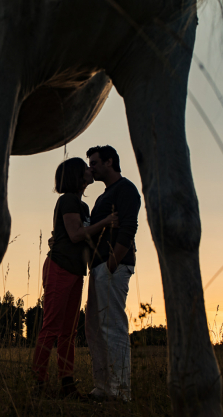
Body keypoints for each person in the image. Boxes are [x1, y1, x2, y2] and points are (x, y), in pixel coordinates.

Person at [32, 157, 118, 399]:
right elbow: (75, 235)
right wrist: (106, 222)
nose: (90, 170)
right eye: (85, 168)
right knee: (51, 327)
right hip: (60, 267)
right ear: (76, 176)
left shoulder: (82, 206)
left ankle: (67, 384)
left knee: (68, 330)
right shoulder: (68, 200)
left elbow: (80, 236)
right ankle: (38, 384)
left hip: (75, 270)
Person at [84, 145, 141, 401]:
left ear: (109, 162)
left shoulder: (126, 189)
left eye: (94, 163)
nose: (91, 168)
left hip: (113, 266)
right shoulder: (103, 197)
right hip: (99, 267)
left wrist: (112, 262)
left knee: (113, 326)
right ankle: (103, 386)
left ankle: (120, 391)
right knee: (95, 327)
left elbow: (129, 227)